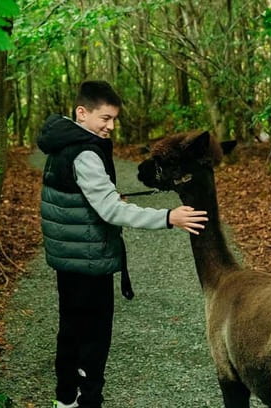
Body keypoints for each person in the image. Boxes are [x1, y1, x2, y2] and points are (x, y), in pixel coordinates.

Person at [37, 80, 208, 408]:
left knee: (70, 330)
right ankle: (88, 402)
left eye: (114, 119)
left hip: (69, 258)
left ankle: (65, 399)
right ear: (82, 112)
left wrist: (105, 194)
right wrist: (168, 217)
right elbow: (110, 210)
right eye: (105, 118)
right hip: (88, 260)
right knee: (94, 340)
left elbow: (75, 195)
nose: (111, 126)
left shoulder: (62, 140)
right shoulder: (85, 151)